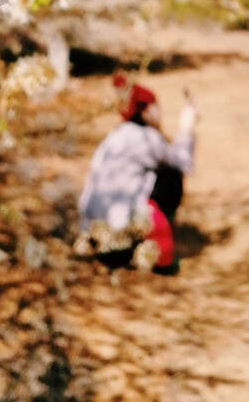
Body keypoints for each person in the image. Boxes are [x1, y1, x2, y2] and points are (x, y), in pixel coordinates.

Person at [77, 82, 197, 272]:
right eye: (156, 107)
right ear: (145, 112)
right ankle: (157, 250)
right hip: (120, 231)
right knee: (171, 177)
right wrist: (187, 127)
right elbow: (183, 162)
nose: (160, 112)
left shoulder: (116, 134)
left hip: (93, 228)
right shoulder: (146, 137)